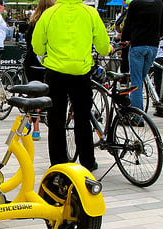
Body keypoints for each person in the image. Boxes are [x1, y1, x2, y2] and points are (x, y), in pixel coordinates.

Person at [32, 0, 111, 171]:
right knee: (83, 118)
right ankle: (88, 162)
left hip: (55, 72)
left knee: (56, 119)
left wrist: (47, 53)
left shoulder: (49, 13)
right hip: (81, 73)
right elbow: (103, 48)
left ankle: (59, 163)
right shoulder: (90, 13)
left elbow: (37, 47)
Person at [121, 0, 163, 113]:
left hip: (138, 46)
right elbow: (162, 27)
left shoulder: (135, 3)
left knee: (136, 81)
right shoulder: (159, 3)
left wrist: (125, 39)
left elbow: (127, 25)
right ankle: (135, 107)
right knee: (140, 79)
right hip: (153, 47)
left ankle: (137, 115)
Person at [23, 0, 55, 141]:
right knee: (44, 96)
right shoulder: (52, 21)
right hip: (46, 63)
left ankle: (30, 122)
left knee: (34, 95)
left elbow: (28, 42)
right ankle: (35, 127)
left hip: (31, 63)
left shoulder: (33, 23)